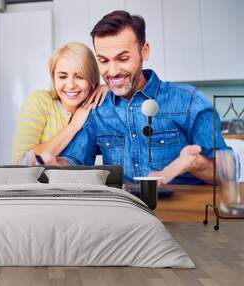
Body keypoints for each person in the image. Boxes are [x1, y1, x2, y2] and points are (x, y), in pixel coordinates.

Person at [54, 10, 228, 185]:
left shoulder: (190, 101)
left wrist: (194, 164)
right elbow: (73, 162)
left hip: (182, 210)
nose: (113, 72)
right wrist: (50, 165)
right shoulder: (97, 110)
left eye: (123, 58)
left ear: (144, 51)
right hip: (127, 209)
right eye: (104, 61)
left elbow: (227, 175)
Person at [11, 42, 108, 165]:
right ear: (54, 78)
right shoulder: (40, 101)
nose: (71, 85)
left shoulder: (95, 110)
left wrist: (111, 89)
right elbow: (20, 163)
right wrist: (73, 126)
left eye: (80, 77)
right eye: (62, 77)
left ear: (92, 79)